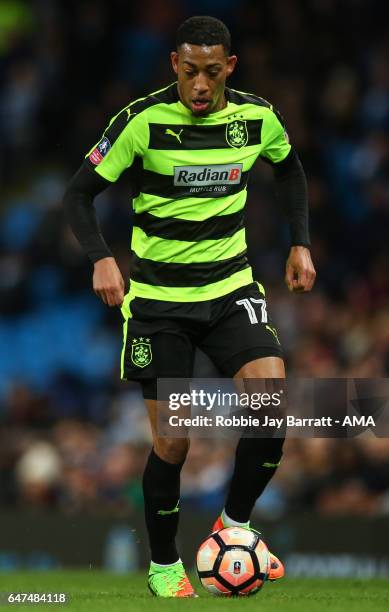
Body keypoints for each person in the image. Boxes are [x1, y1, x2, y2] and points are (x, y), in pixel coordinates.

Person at [63, 15, 316, 597]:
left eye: (210, 73)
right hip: (159, 304)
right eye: (188, 72)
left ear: (228, 67)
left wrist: (301, 241)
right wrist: (101, 257)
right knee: (174, 442)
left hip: (231, 290)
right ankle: (162, 564)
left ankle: (233, 529)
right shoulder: (140, 121)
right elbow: (79, 193)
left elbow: (291, 168)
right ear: (173, 65)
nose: (199, 86)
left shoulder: (256, 118)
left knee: (271, 408)